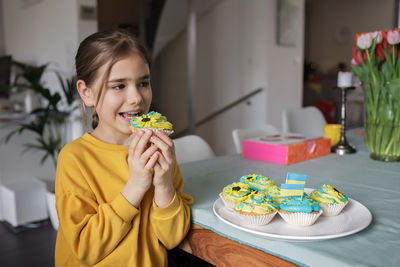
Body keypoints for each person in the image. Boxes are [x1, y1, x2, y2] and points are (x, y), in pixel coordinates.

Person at [55, 29, 199, 266]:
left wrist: (163, 185)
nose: (136, 97)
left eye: (143, 82)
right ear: (86, 93)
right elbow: (85, 248)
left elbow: (173, 238)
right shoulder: (75, 159)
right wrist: (135, 186)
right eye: (119, 86)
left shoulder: (157, 150)